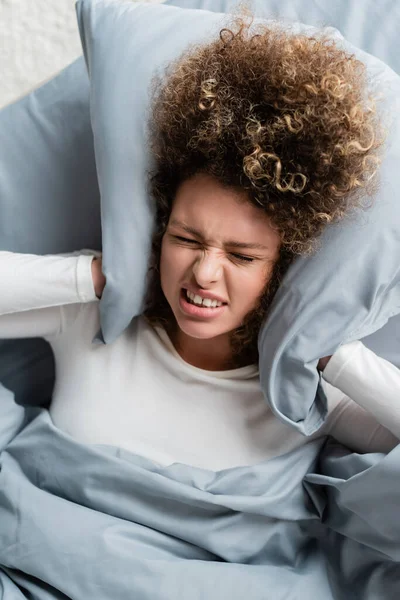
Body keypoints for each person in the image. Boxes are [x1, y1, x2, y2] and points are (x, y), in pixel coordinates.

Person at [0, 14, 399, 471]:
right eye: (186, 239)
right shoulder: (90, 319)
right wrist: (94, 276)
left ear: (282, 267)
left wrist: (330, 351)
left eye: (242, 255)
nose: (204, 273)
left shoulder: (307, 397)